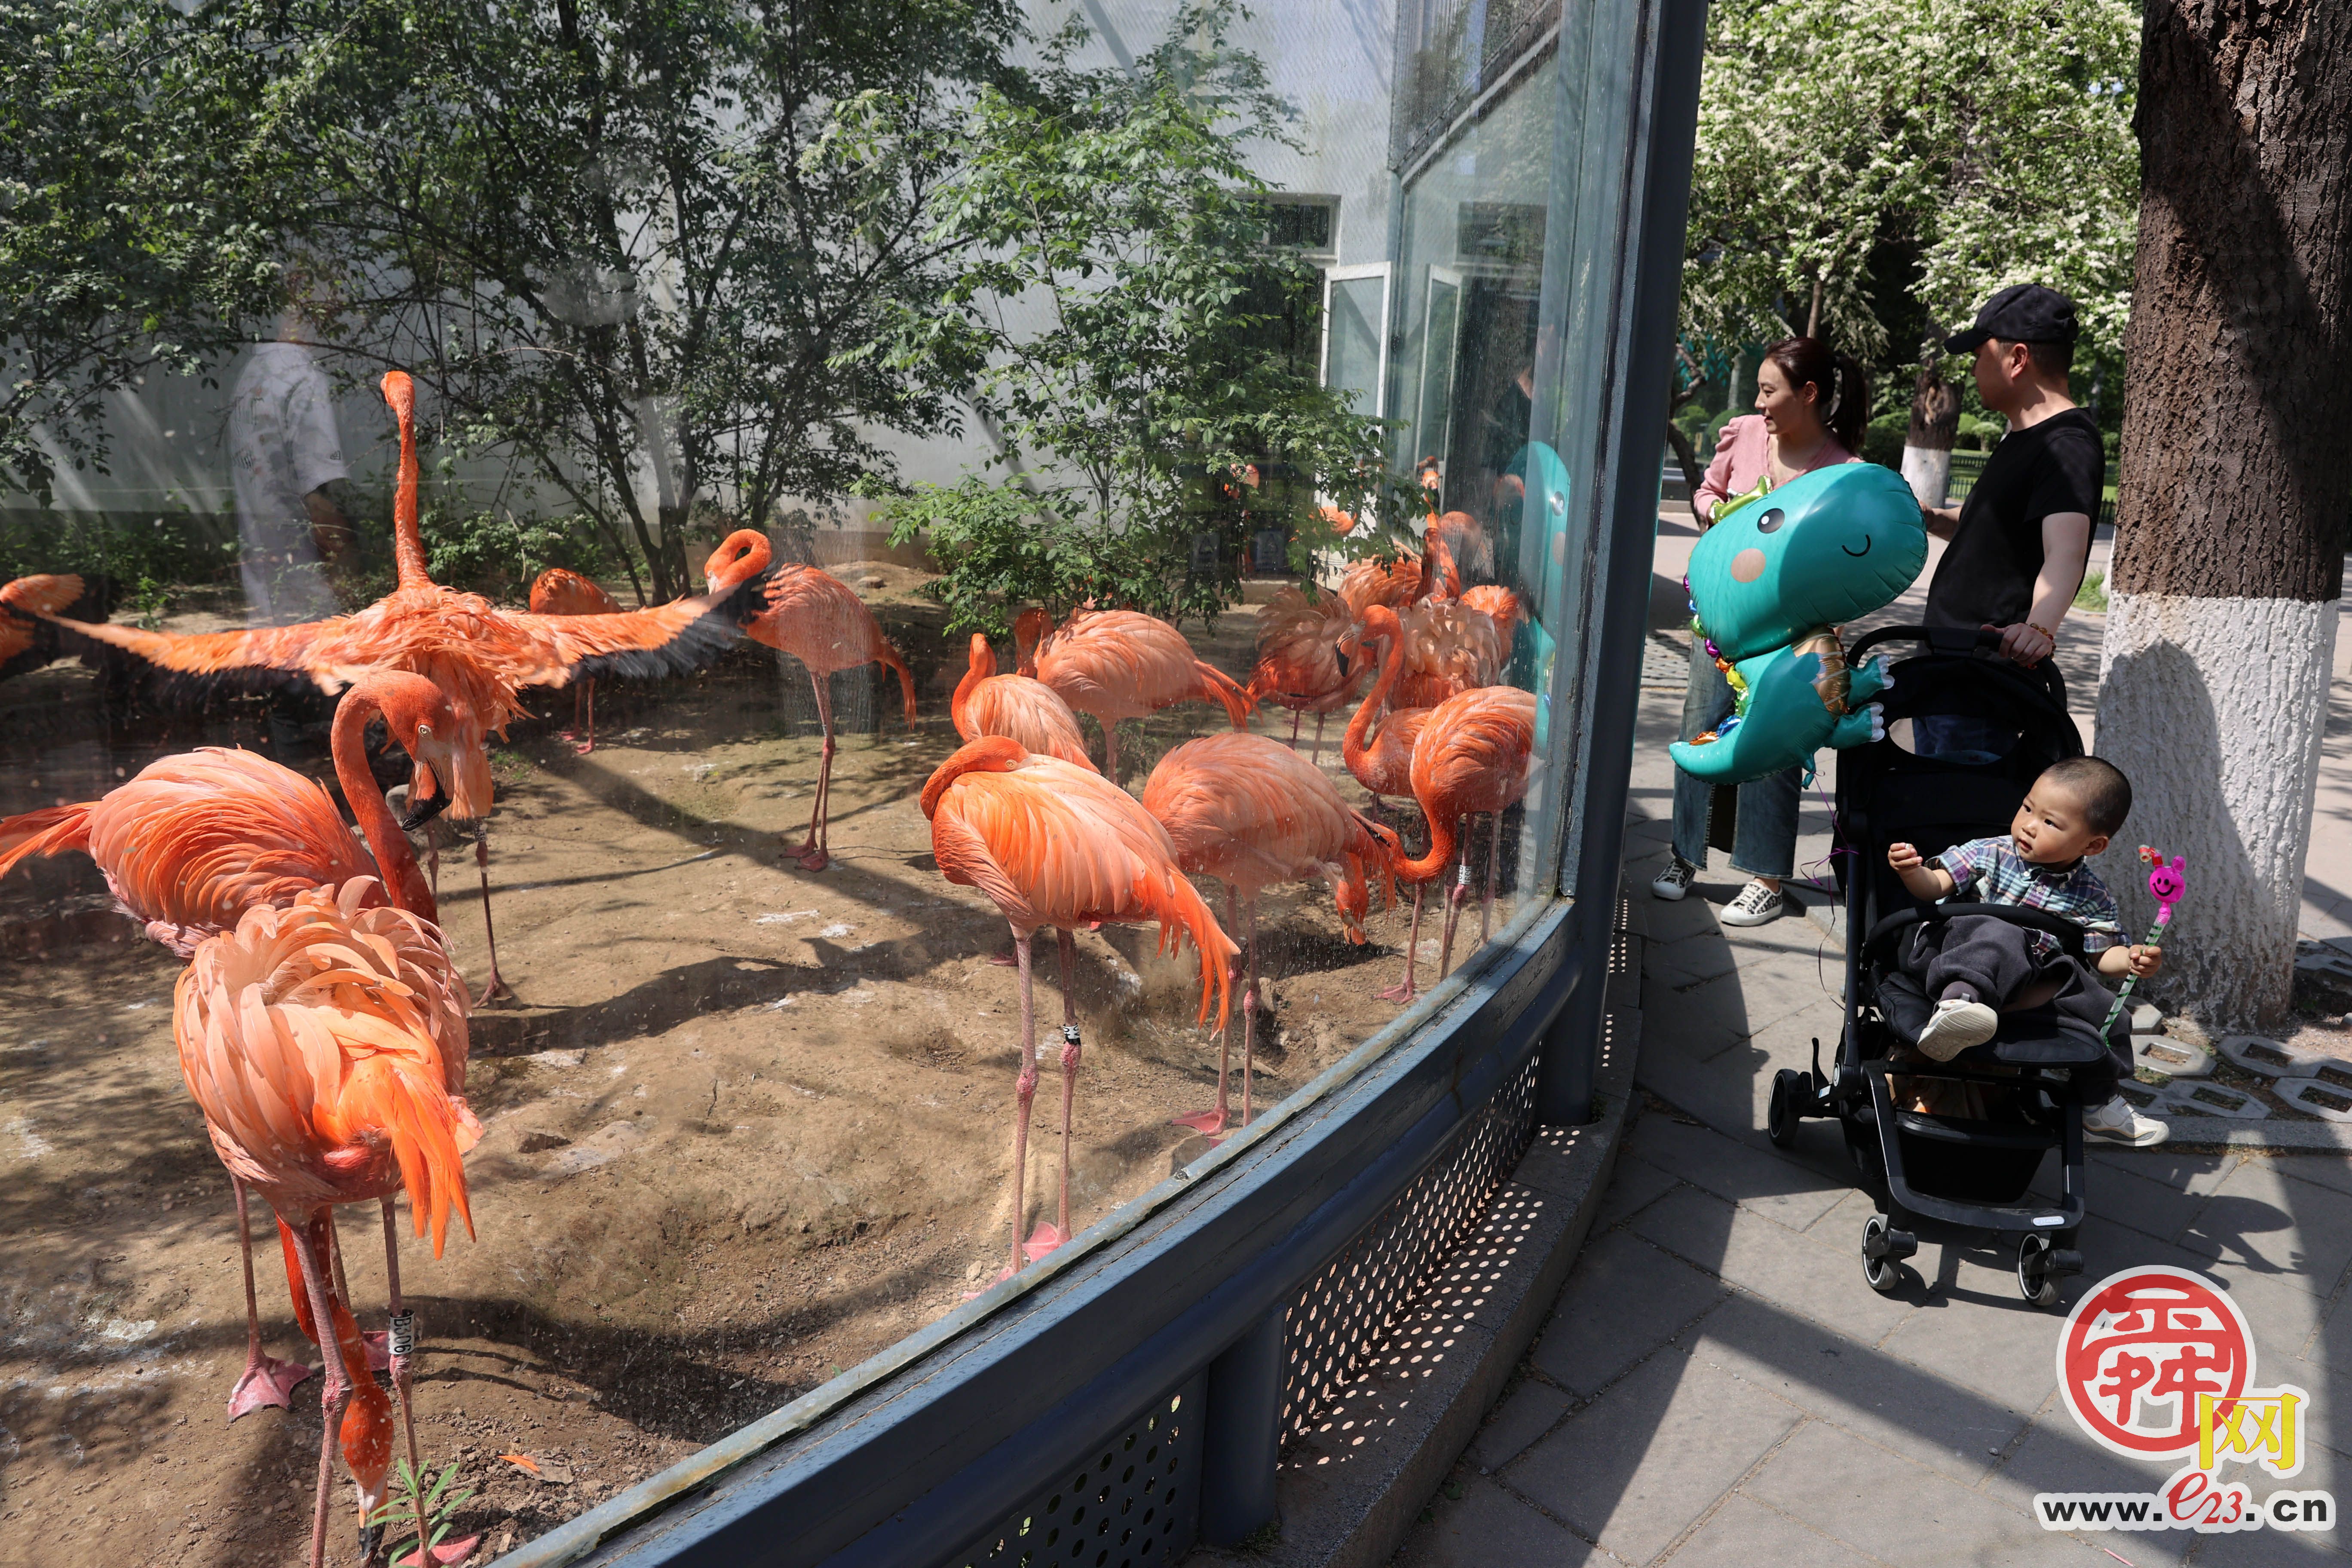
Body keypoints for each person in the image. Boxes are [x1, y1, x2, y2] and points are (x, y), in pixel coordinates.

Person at [1654, 336, 1868, 927]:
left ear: (1809, 394)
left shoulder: (1842, 472)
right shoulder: (1746, 433)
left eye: (1770, 390)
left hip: (1790, 634)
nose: (1759, 401)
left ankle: (1766, 878)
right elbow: (1708, 490)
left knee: (1773, 746)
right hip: (1719, 621)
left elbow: (1846, 559)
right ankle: (1683, 856)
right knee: (1699, 728)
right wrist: (1711, 513)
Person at [1885, 755, 2168, 1147]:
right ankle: (1956, 1012)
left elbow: (2103, 956)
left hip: (2024, 982)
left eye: (2050, 822)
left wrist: (2132, 959)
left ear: (2094, 845)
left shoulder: (2092, 895)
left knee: (2108, 1011)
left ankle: (2099, 1102)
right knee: (2002, 933)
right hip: (1951, 961)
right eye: (2028, 808)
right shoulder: (1989, 852)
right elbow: (1934, 887)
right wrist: (1911, 872)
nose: (2029, 826)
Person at [1917, 285, 2102, 753]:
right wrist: (1933, 518)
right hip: (1950, 670)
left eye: (1980, 355)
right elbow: (1994, 526)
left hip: (1983, 686)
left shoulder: (2066, 445)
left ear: (2017, 358)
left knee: (1961, 821)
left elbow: (2066, 550)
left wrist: (2038, 629)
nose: (1974, 369)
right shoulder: (2024, 436)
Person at [229, 285, 355, 625]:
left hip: (263, 568)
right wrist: (346, 551)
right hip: (300, 572)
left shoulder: (255, 373)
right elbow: (317, 487)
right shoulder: (303, 378)